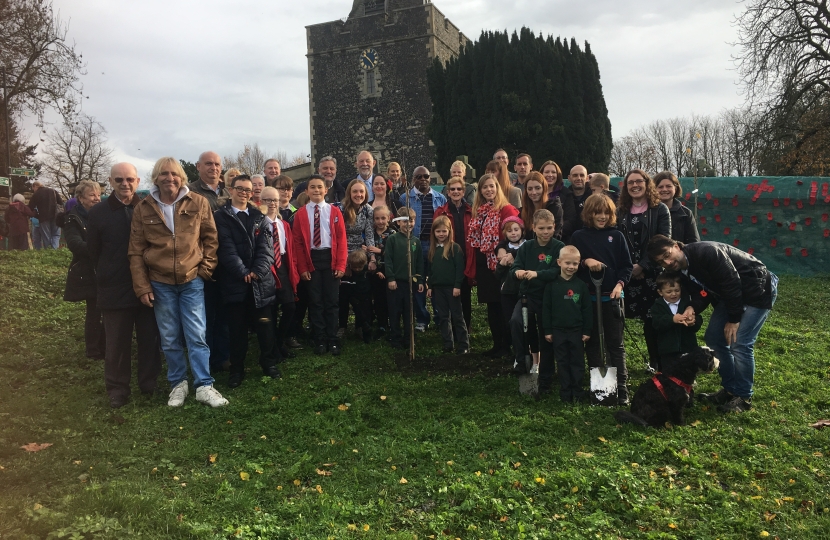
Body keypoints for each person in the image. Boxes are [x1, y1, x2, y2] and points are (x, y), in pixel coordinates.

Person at [129, 157, 228, 408]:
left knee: (197, 335)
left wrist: (205, 270)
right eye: (163, 174)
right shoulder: (144, 207)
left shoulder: (198, 202)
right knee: (170, 337)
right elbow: (136, 250)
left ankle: (204, 385)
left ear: (182, 177)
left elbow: (210, 239)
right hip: (159, 282)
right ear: (156, 178)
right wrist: (142, 286)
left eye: (174, 174)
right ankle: (178, 384)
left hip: (191, 279)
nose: (169, 178)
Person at [647, 234, 778, 413]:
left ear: (677, 246)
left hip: (757, 288)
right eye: (662, 262)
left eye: (667, 255)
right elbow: (702, 292)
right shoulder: (680, 271)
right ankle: (730, 389)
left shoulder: (707, 252)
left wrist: (734, 319)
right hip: (729, 295)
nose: (667, 263)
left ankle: (744, 397)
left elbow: (731, 282)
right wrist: (692, 308)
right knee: (714, 338)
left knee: (740, 342)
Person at [87, 163, 161, 409]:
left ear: (138, 182)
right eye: (119, 180)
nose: (124, 184)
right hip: (114, 286)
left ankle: (148, 382)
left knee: (149, 338)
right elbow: (93, 251)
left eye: (129, 179)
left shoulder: (148, 207)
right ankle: (117, 389)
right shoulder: (98, 213)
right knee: (116, 342)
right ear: (110, 182)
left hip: (147, 285)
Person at [213, 174, 280, 388]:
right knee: (237, 329)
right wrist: (242, 272)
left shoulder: (260, 216)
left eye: (248, 190)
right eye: (239, 188)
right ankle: (237, 369)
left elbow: (267, 249)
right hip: (235, 281)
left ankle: (268, 364)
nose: (243, 193)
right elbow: (225, 247)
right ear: (231, 190)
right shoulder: (220, 217)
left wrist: (257, 272)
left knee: (265, 326)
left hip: (260, 282)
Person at [570, 194, 633, 404]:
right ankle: (600, 390)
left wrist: (619, 285)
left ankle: (621, 389)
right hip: (589, 300)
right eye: (598, 212)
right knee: (593, 343)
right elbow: (571, 265)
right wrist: (585, 260)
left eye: (607, 212)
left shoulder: (616, 236)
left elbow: (626, 266)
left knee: (616, 344)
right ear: (589, 213)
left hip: (612, 298)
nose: (602, 216)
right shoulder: (579, 237)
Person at [617, 169, 671, 371]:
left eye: (639, 181)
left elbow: (664, 241)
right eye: (630, 182)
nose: (634, 185)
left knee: (652, 321)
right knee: (619, 319)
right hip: (627, 274)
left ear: (647, 183)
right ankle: (619, 364)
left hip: (652, 274)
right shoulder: (620, 210)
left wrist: (643, 266)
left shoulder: (660, 210)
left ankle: (657, 362)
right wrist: (629, 267)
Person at [509, 209, 565, 396]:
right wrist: (517, 272)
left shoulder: (559, 247)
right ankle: (521, 360)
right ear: (533, 228)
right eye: (541, 228)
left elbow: (557, 271)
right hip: (528, 297)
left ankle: (546, 377)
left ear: (554, 227)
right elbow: (516, 266)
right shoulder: (526, 247)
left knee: (545, 336)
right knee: (516, 321)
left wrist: (537, 274)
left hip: (549, 299)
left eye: (549, 228)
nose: (545, 232)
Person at [292, 175, 348, 356]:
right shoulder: (300, 214)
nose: (316, 190)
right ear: (306, 191)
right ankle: (320, 339)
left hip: (329, 258)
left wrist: (340, 264)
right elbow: (298, 242)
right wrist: (303, 267)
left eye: (319, 187)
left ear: (326, 190)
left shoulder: (334, 212)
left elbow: (341, 240)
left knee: (331, 301)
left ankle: (332, 339)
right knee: (315, 302)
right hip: (311, 259)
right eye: (312, 187)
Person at [189, 151, 231, 373]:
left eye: (217, 164)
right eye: (208, 164)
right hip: (201, 263)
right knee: (203, 316)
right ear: (198, 166)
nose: (213, 168)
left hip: (226, 262)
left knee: (223, 313)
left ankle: (222, 357)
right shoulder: (189, 192)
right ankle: (205, 360)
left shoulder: (228, 191)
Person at [469, 173, 519, 357]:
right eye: (485, 187)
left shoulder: (506, 209)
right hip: (484, 265)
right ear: (480, 191)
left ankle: (508, 345)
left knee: (503, 306)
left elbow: (515, 235)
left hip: (500, 264)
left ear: (497, 188)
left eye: (492, 186)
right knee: (492, 307)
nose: (489, 190)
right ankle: (497, 344)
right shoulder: (479, 211)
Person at [542, 245, 593, 403]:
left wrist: (587, 330)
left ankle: (577, 391)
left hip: (576, 331)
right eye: (567, 263)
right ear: (559, 262)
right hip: (558, 331)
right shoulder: (551, 286)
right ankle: (565, 392)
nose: (571, 267)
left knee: (577, 361)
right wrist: (548, 330)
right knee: (562, 362)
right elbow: (546, 309)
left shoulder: (581, 286)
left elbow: (587, 310)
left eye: (575, 264)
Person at [400, 165, 446, 332]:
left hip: (434, 246)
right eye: (419, 177)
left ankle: (440, 316)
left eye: (426, 177)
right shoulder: (405, 198)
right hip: (415, 246)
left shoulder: (440, 199)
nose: (423, 180)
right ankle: (421, 318)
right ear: (413, 179)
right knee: (418, 282)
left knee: (436, 282)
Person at [63, 180, 106, 360]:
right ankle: (93, 350)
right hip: (88, 270)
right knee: (94, 310)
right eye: (92, 195)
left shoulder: (102, 215)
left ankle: (104, 345)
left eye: (98, 195)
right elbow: (75, 244)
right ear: (80, 198)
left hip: (103, 268)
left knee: (105, 309)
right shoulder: (73, 219)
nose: (97, 198)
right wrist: (100, 250)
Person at [262, 186, 299, 361]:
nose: (271, 203)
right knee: (270, 311)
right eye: (267, 200)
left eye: (274, 200)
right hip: (266, 268)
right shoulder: (259, 225)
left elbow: (289, 250)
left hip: (282, 266)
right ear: (260, 202)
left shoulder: (283, 224)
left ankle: (279, 341)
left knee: (290, 306)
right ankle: (272, 349)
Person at [434, 176, 474, 331]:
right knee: (450, 295)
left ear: (463, 191)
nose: (456, 192)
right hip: (448, 258)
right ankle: (449, 329)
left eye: (459, 189)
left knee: (465, 293)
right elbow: (436, 235)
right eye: (452, 189)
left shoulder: (471, 210)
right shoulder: (441, 212)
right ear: (448, 192)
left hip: (466, 255)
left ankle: (466, 326)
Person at [336, 179, 376, 336]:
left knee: (362, 293)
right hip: (344, 252)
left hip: (361, 253)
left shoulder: (368, 210)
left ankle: (360, 325)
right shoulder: (340, 209)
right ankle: (342, 326)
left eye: (361, 191)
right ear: (349, 193)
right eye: (355, 191)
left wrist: (371, 257)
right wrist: (344, 263)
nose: (358, 194)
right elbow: (339, 236)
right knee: (344, 293)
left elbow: (370, 235)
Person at [427, 215, 469, 354]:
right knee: (443, 316)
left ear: (449, 231)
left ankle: (463, 345)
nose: (441, 234)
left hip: (452, 288)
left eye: (444, 231)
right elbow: (431, 270)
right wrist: (430, 286)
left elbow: (459, 269)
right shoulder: (433, 250)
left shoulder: (454, 248)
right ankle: (448, 343)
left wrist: (457, 285)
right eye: (438, 231)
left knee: (457, 316)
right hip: (438, 289)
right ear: (434, 233)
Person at [494, 216, 532, 370]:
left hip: (525, 291)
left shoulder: (528, 246)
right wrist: (502, 265)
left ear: (522, 230)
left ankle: (531, 353)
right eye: (509, 231)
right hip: (508, 292)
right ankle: (518, 354)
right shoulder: (504, 250)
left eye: (516, 229)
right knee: (511, 322)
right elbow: (498, 274)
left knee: (527, 323)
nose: (513, 233)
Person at [385, 207, 424, 350]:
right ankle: (395, 337)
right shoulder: (392, 239)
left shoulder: (415, 241)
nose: (408, 224)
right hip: (396, 283)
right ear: (398, 222)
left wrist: (419, 280)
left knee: (409, 311)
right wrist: (391, 278)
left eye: (411, 220)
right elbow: (388, 260)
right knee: (395, 311)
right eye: (405, 221)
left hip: (410, 283)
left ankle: (409, 338)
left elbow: (419, 262)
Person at [648, 272, 702, 373]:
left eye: (677, 290)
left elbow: (698, 319)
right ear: (660, 292)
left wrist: (693, 321)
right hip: (668, 351)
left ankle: (688, 388)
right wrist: (672, 319)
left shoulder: (687, 304)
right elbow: (656, 323)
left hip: (688, 348)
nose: (673, 294)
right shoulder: (657, 306)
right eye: (669, 292)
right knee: (669, 375)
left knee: (688, 374)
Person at [368, 205, 395, 338]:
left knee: (390, 297)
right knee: (378, 298)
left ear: (389, 218)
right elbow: (367, 249)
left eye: (383, 218)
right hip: (374, 271)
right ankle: (381, 324)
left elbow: (395, 252)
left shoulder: (392, 234)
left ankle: (392, 323)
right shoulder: (370, 234)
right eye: (377, 218)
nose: (380, 221)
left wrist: (380, 251)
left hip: (389, 270)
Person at [654, 171, 699, 244]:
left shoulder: (686, 213)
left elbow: (693, 243)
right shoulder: (649, 212)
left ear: (675, 188)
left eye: (668, 186)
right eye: (660, 187)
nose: (664, 189)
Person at [340, 250, 374, 343]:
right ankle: (342, 327)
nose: (357, 269)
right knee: (344, 305)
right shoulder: (348, 272)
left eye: (360, 267)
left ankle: (362, 328)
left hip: (364, 295)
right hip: (350, 294)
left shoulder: (367, 270)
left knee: (364, 311)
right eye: (355, 267)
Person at [520, 171, 564, 240]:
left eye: (537, 188)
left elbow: (556, 234)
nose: (533, 192)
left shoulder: (555, 207)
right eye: (530, 189)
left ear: (544, 188)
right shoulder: (522, 211)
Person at [541, 160, 576, 241]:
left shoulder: (566, 194)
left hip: (560, 238)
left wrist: (552, 232)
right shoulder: (536, 192)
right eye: (546, 172)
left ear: (558, 175)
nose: (550, 175)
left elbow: (571, 220)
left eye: (553, 172)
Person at [28, 181, 63, 249]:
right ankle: (55, 251)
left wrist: (37, 216)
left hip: (43, 218)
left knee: (47, 237)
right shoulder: (53, 191)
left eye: (33, 189)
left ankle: (48, 252)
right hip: (55, 216)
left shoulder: (37, 194)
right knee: (56, 235)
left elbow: (30, 207)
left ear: (35, 186)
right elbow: (61, 203)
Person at [562, 164, 590, 243]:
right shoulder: (564, 197)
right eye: (575, 175)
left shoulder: (593, 196)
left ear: (587, 178)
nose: (578, 178)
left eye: (582, 175)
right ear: (569, 178)